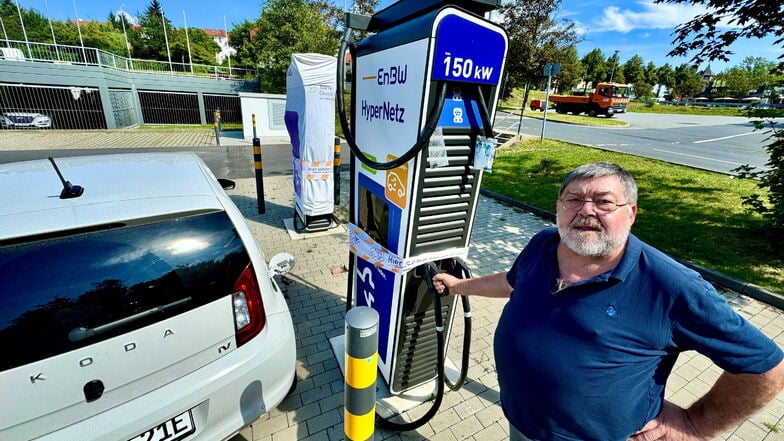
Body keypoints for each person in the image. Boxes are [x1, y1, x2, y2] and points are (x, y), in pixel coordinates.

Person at [433, 162, 784, 441]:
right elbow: (513, 283)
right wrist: (458, 286)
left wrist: (695, 425)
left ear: (630, 213)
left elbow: (766, 367)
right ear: (558, 207)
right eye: (573, 200)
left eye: (603, 201)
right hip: (524, 424)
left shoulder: (671, 285)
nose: (586, 211)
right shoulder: (543, 245)